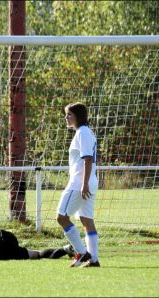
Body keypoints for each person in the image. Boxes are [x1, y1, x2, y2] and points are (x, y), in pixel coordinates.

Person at [56, 102, 100, 268]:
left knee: (61, 217)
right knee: (86, 219)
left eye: (69, 114)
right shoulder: (85, 132)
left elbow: (88, 159)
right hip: (88, 182)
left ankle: (82, 252)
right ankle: (93, 260)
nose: (66, 117)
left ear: (78, 116)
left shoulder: (82, 133)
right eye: (66, 114)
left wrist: (84, 184)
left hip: (79, 183)